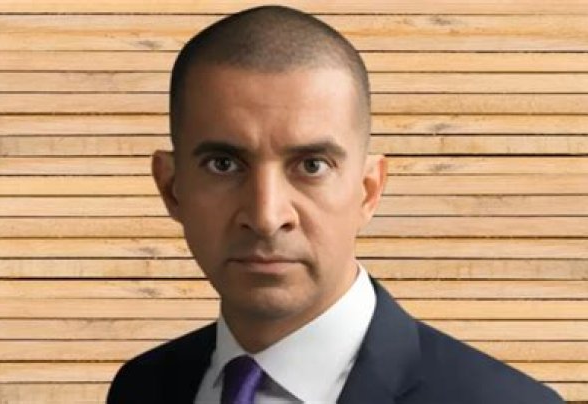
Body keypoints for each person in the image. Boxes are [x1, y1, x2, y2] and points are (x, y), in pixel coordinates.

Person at [107, 5, 564, 404]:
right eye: (224, 165)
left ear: (368, 190)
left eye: (312, 166)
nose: (267, 217)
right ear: (171, 188)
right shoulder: (142, 387)